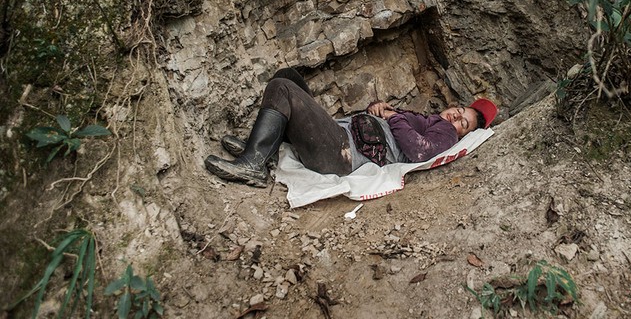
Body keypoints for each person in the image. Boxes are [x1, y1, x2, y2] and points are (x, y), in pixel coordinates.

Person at [204, 68, 497, 187]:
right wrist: (378, 110)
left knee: (282, 86)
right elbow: (393, 127)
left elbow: (419, 151)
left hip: (342, 153)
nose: (455, 118)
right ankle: (261, 148)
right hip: (339, 133)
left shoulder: (443, 134)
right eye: (459, 111)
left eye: (463, 123)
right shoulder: (429, 119)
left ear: (463, 134)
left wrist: (393, 117)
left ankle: (253, 164)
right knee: (289, 77)